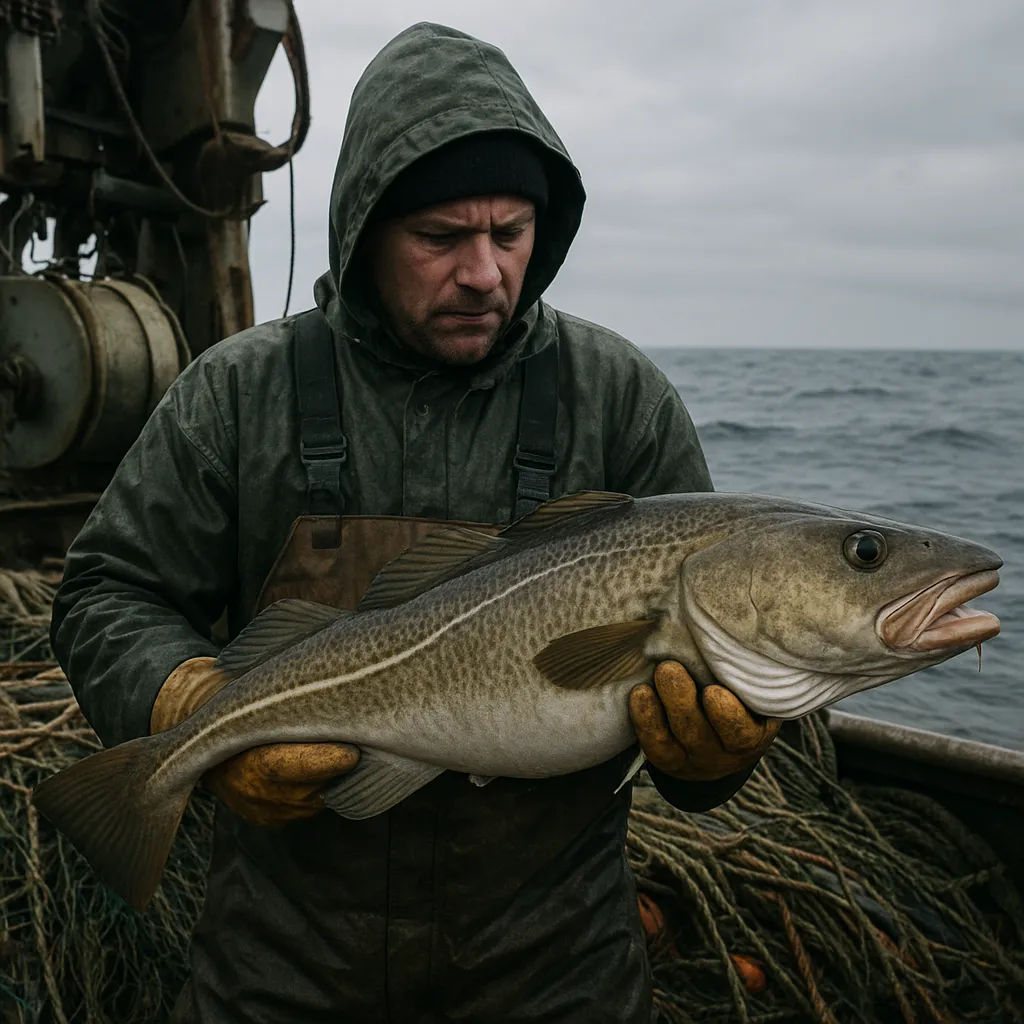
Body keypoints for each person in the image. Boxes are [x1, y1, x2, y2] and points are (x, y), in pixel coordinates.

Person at [50, 22, 780, 1024]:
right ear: (363, 230)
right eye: (440, 237)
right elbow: (106, 590)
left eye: (511, 233)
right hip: (281, 965)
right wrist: (183, 702)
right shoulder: (238, 393)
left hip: (555, 968)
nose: (483, 272)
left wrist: (715, 759)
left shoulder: (619, 399)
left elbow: (685, 733)